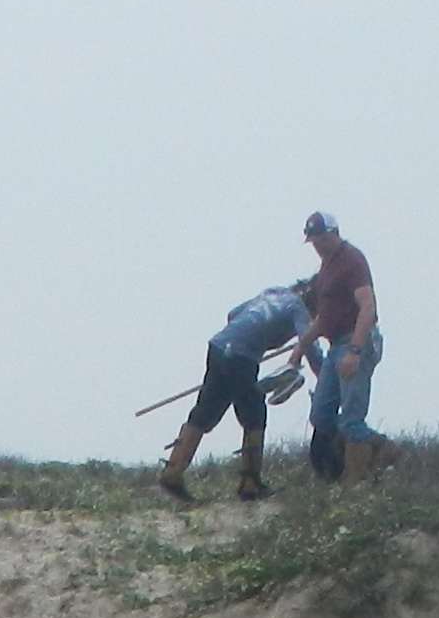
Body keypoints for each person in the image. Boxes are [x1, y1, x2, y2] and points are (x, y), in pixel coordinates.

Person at [158, 279, 311, 503]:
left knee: (204, 412)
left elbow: (233, 314)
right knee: (254, 416)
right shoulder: (298, 309)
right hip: (242, 357)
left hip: (219, 346)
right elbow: (308, 340)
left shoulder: (272, 292)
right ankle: (250, 484)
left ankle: (172, 473)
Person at [298, 212, 383, 483]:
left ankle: (357, 478)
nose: (318, 246)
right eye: (314, 242)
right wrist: (298, 350)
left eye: (322, 239)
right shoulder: (325, 270)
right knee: (321, 414)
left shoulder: (352, 260)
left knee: (351, 418)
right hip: (335, 345)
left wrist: (355, 350)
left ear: (334, 234)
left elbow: (368, 307)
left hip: (355, 341)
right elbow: (324, 318)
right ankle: (370, 454)